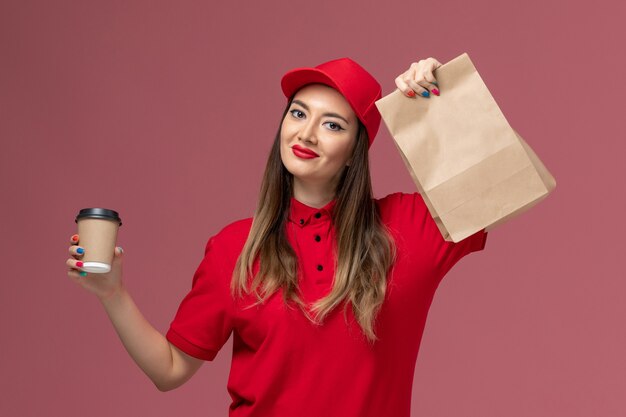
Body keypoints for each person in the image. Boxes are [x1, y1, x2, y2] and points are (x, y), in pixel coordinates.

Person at [66, 57, 488, 416]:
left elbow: (499, 188)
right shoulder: (234, 247)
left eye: (333, 125)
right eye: (298, 113)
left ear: (355, 151)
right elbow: (171, 368)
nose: (305, 134)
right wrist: (112, 293)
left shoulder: (407, 228)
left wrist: (444, 104)